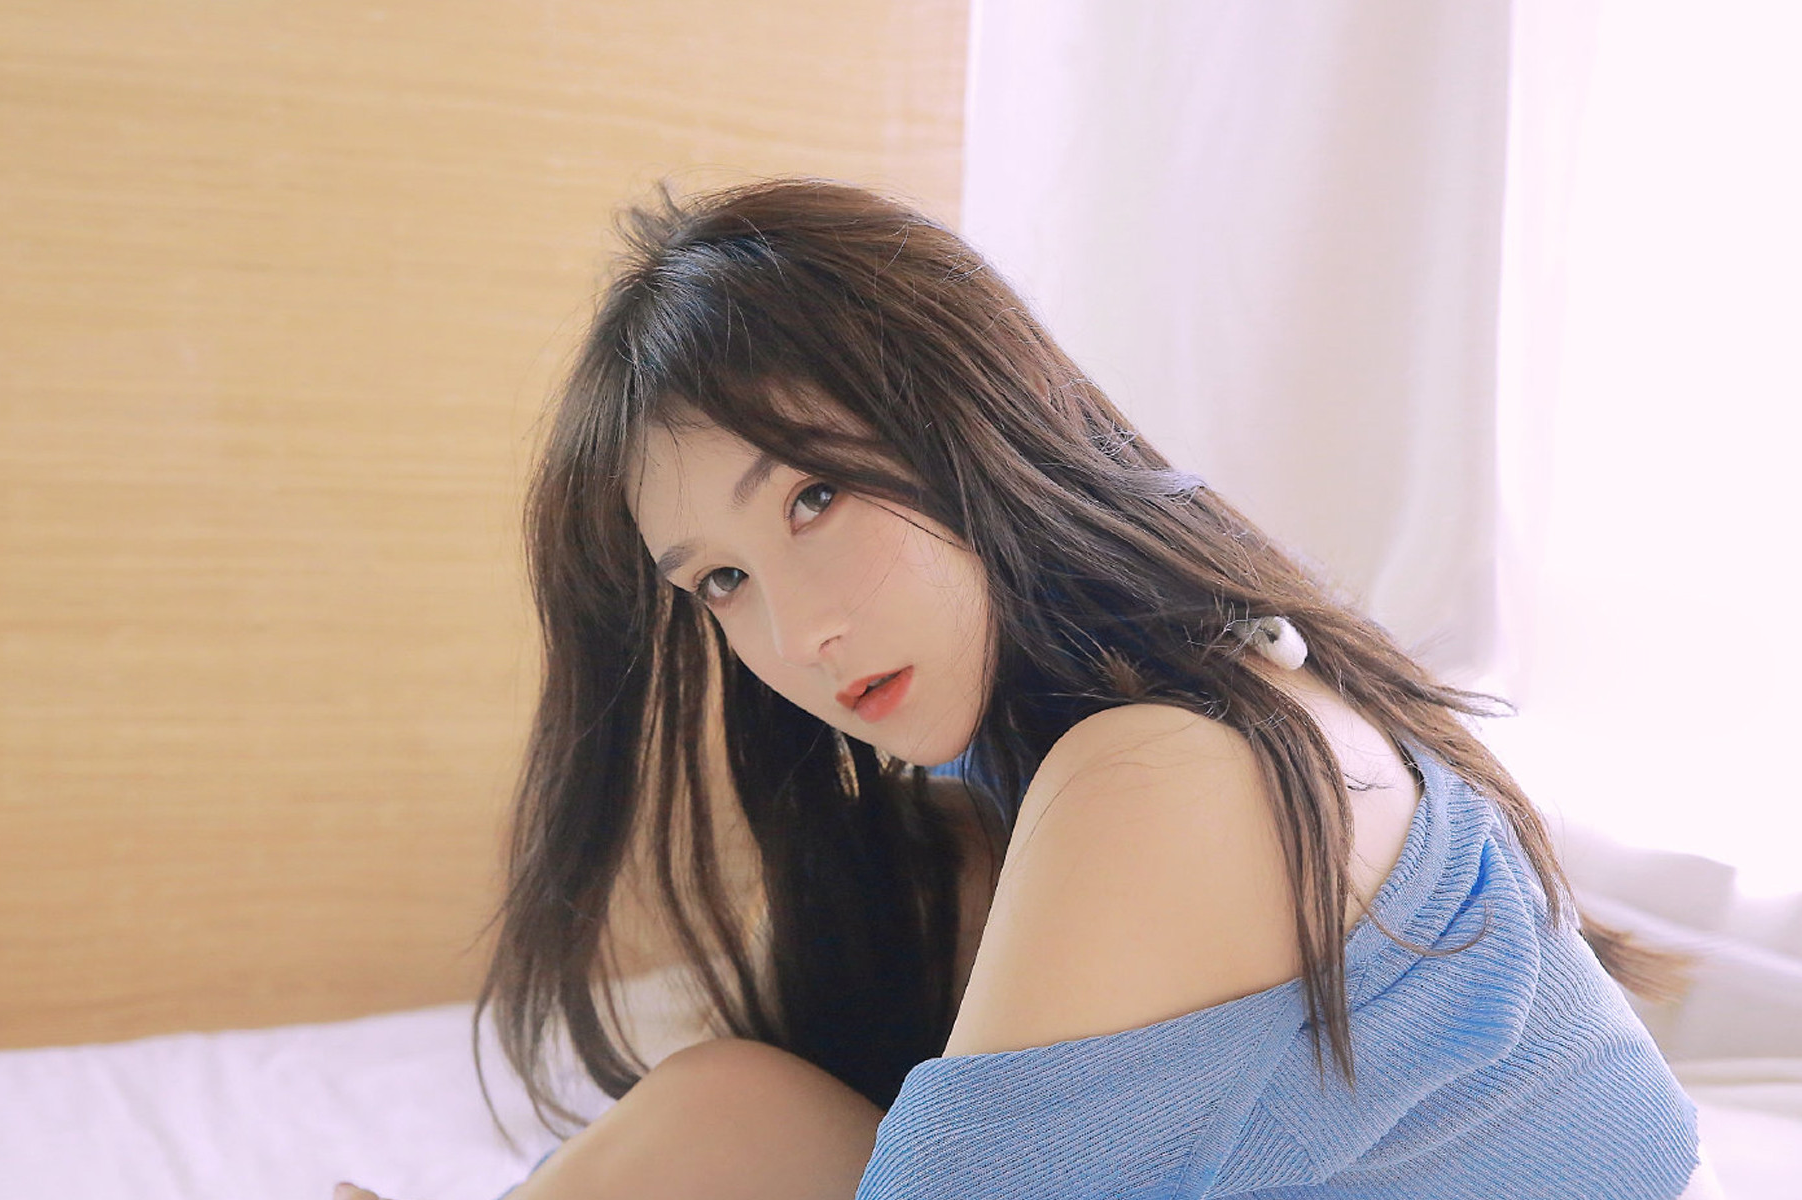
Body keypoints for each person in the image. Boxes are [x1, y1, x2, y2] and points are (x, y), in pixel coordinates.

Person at [336, 178, 1720, 1199]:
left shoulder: (1169, 772)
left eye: (814, 497)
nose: (798, 633)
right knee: (725, 1112)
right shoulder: (1060, 763)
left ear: (970, 422)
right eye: (722, 582)